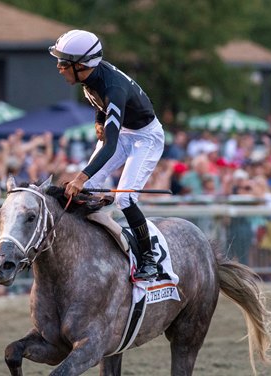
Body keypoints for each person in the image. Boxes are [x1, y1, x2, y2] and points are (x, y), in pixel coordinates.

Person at [49, 29, 165, 281]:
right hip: (124, 131)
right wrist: (99, 120)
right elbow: (99, 103)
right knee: (86, 189)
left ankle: (149, 258)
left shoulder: (113, 88)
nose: (58, 68)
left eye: (62, 63)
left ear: (80, 65)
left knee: (125, 199)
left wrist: (80, 176)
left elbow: (110, 146)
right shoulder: (89, 77)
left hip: (145, 138)